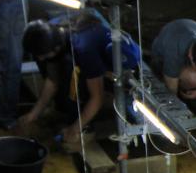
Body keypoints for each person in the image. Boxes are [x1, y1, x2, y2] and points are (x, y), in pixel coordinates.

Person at [15, 11, 141, 150]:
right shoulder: (49, 31)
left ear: (56, 48)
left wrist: (74, 130)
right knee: (69, 73)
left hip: (124, 66)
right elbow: (52, 79)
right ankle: (69, 114)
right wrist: (33, 115)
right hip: (93, 58)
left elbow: (96, 98)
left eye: (43, 55)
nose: (40, 59)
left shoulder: (83, 49)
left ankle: (90, 129)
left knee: (75, 80)